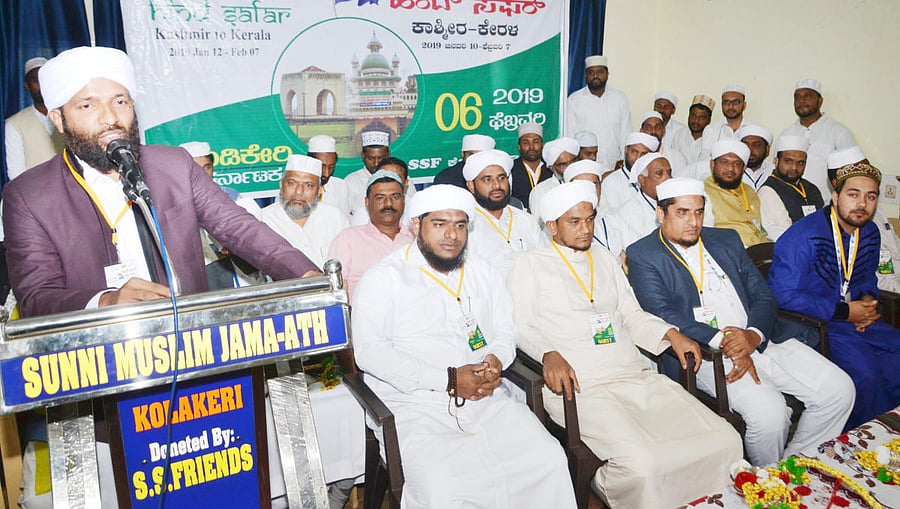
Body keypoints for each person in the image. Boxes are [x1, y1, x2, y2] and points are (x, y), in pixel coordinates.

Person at [1, 46, 320, 509]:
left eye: (120, 101)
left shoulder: (171, 165)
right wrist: (106, 301)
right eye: (87, 105)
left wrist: (307, 276)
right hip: (104, 391)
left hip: (203, 377)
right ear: (57, 117)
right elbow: (35, 295)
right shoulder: (28, 195)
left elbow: (239, 228)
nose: (109, 117)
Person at [508, 180, 742, 509]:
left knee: (725, 441)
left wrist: (670, 333)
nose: (585, 229)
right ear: (551, 226)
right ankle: (597, 485)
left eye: (589, 219)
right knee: (645, 465)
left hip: (634, 375)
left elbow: (631, 314)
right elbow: (522, 326)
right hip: (579, 385)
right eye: (574, 222)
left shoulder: (603, 257)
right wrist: (549, 354)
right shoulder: (529, 263)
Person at [352, 184, 577, 509]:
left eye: (459, 225)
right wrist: (449, 379)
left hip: (487, 398)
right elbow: (370, 352)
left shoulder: (482, 271)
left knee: (549, 461)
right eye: (439, 224)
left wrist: (496, 359)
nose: (451, 235)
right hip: (417, 407)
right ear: (417, 225)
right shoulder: (384, 278)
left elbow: (504, 329)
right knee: (444, 489)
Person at [627, 177, 854, 466]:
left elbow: (763, 295)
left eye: (698, 212)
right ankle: (769, 480)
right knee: (770, 415)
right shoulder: (643, 253)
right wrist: (726, 342)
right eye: (682, 212)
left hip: (760, 339)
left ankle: (798, 465)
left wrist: (753, 335)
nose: (693, 222)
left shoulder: (726, 239)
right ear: (661, 214)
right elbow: (662, 313)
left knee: (840, 389)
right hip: (709, 352)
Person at [769, 163, 900, 429]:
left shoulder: (870, 231)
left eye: (871, 196)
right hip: (815, 323)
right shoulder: (804, 236)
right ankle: (856, 443)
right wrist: (845, 312)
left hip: (852, 317)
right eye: (853, 194)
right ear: (835, 196)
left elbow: (864, 277)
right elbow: (783, 295)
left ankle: (888, 435)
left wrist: (866, 304)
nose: (862, 204)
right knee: (866, 375)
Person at [179, 141, 265, 289]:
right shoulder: (174, 208)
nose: (204, 175)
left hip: (243, 285)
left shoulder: (238, 201)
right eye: (196, 169)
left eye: (207, 167)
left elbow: (256, 254)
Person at [328, 170, 413, 299]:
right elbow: (334, 289)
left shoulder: (416, 240)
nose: (388, 204)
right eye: (380, 198)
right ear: (367, 202)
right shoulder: (348, 239)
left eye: (395, 197)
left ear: (404, 200)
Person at [827, 146, 900, 293]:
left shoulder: (874, 208)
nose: (867, 176)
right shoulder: (837, 220)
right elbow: (864, 275)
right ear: (837, 183)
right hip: (884, 295)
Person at [463, 149, 545, 277]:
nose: (496, 185)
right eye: (487, 180)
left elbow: (542, 261)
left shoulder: (526, 220)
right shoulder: (465, 225)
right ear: (471, 186)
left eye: (501, 178)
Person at [261, 154, 348, 268]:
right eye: (292, 183)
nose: (298, 192)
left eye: (308, 185)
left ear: (319, 190)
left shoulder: (335, 218)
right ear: (281, 185)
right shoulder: (263, 220)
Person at [779, 79, 857, 197]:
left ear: (819, 101)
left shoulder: (839, 132)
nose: (801, 101)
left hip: (826, 206)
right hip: (790, 204)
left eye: (807, 96)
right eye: (797, 97)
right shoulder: (786, 134)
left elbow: (853, 173)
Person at [564, 55, 632, 169]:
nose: (595, 76)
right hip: (586, 166)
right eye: (591, 72)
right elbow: (569, 136)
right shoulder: (574, 100)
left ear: (607, 74)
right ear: (586, 75)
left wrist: (624, 162)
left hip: (615, 165)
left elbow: (626, 133)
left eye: (600, 72)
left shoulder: (620, 99)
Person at [5, 57, 64, 181]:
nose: (42, 85)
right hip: (35, 192)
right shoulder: (14, 124)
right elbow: (16, 172)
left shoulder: (68, 117)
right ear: (27, 85)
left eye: (45, 80)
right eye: (36, 80)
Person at [704, 140, 769, 247]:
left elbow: (765, 225)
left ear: (744, 168)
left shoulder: (749, 190)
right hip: (729, 253)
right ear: (712, 164)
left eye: (737, 163)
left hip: (761, 250)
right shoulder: (703, 193)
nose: (730, 168)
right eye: (724, 162)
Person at [758, 135, 824, 240]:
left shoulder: (811, 188)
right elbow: (780, 232)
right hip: (793, 249)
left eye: (800, 163)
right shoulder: (768, 191)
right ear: (776, 161)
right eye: (788, 161)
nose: (794, 168)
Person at [344, 131, 416, 222]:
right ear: (363, 155)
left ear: (388, 154)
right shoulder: (351, 181)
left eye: (381, 158)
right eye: (371, 158)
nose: (376, 163)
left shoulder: (403, 179)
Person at [612, 153, 673, 251]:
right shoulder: (630, 211)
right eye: (659, 173)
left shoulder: (675, 202)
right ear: (642, 180)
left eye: (669, 173)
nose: (668, 178)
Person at [563, 160, 623, 257]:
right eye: (582, 184)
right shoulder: (562, 224)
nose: (589, 189)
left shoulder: (613, 219)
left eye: (594, 184)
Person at [598, 132, 658, 212]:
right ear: (626, 150)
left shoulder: (655, 181)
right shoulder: (611, 182)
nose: (638, 158)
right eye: (634, 152)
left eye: (644, 154)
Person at [527, 137, 579, 223]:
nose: (570, 168)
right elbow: (539, 226)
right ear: (551, 167)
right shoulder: (541, 191)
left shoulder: (587, 182)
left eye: (573, 162)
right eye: (563, 164)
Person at [700, 85, 755, 160]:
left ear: (744, 105)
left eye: (735, 102)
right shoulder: (711, 129)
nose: (730, 106)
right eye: (726, 102)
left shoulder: (753, 130)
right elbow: (705, 160)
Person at [308, 134, 351, 216]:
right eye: (322, 166)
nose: (326, 174)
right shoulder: (296, 186)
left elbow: (344, 219)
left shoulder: (340, 186)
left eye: (331, 167)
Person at [509, 122, 547, 209]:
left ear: (542, 145)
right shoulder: (511, 169)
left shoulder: (550, 168)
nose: (531, 147)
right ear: (519, 147)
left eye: (536, 142)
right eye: (526, 143)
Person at [673, 94, 715, 165]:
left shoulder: (714, 138)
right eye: (693, 116)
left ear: (709, 120)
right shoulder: (680, 134)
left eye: (701, 118)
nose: (696, 121)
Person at [738, 124, 775, 192]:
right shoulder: (732, 171)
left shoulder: (774, 172)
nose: (750, 150)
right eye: (745, 145)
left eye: (756, 145)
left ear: (767, 149)